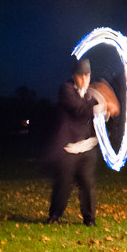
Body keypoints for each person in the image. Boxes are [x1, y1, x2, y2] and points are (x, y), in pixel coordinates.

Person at [46, 57, 107, 226]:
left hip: (87, 146)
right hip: (70, 147)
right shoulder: (66, 89)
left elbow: (100, 114)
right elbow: (80, 111)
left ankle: (90, 220)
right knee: (64, 184)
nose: (84, 80)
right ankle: (54, 216)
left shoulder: (91, 93)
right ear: (74, 76)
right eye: (81, 76)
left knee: (87, 184)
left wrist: (108, 108)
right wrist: (101, 105)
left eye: (87, 76)